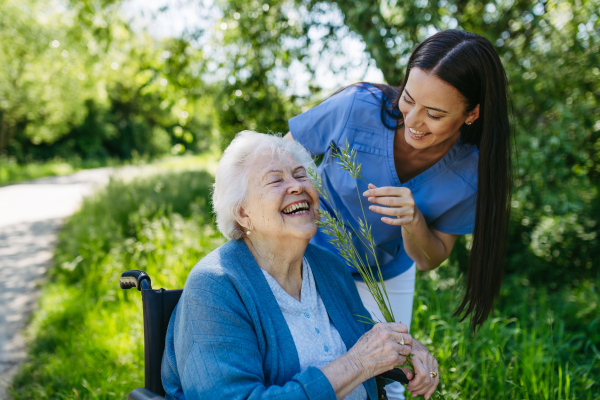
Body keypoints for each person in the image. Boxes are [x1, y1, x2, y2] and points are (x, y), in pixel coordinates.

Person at [285, 29, 512, 399]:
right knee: (311, 366)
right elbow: (282, 159)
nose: (414, 121)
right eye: (409, 99)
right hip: (307, 256)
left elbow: (429, 260)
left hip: (385, 272)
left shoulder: (473, 174)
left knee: (390, 382)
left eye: (435, 114)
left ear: (472, 114)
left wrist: (414, 221)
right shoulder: (357, 107)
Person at [160, 131, 439, 400]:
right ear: (243, 213)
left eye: (300, 175)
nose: (297, 186)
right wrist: (358, 364)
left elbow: (367, 343)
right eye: (275, 180)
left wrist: (407, 351)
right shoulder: (215, 286)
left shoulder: (328, 267)